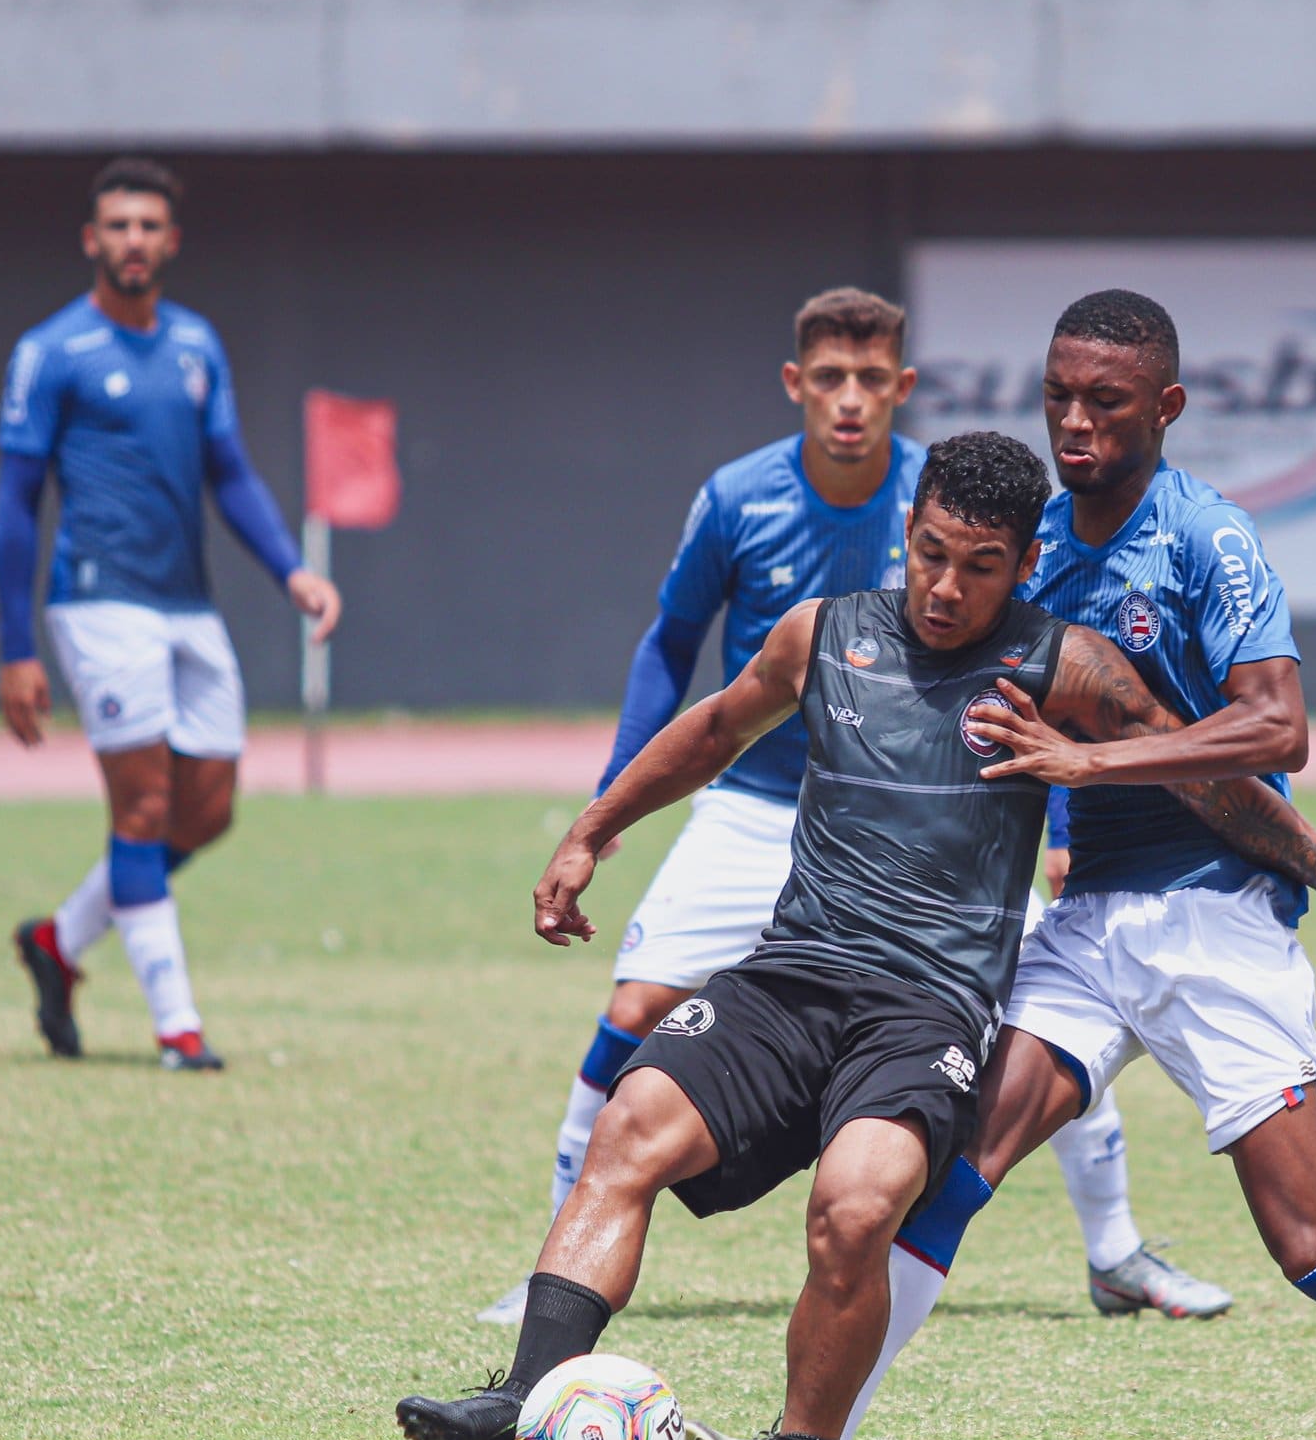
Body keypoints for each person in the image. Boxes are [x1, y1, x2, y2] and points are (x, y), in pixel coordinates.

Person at [685, 290, 1316, 1440]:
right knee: (947, 1175)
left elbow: (1274, 729)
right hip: (1088, 925)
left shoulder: (1205, 539)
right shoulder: (1035, 538)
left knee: (1309, 1240)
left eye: (1104, 401)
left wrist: (1143, 797)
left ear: (1164, 408)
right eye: (1058, 395)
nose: (1074, 420)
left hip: (1216, 923)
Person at [397, 431, 1316, 1440]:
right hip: (791, 973)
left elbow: (1204, 771)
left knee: (856, 1207)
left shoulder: (1067, 666)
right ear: (907, 530)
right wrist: (587, 833)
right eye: (931, 552)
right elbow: (711, 730)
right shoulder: (822, 632)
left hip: (928, 1010)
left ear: (1025, 558)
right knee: (630, 1125)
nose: (947, 586)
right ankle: (523, 1400)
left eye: (981, 564)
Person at [474, 287, 1229, 1331]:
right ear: (796, 384)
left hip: (944, 825)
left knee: (1047, 1028)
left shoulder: (953, 494)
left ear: (900, 388)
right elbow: (678, 662)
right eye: (829, 376)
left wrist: (1059, 825)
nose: (849, 398)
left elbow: (1062, 687)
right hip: (757, 804)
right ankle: (551, 1266)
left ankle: (1115, 1249)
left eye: (871, 379)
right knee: (635, 1010)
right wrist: (598, 814)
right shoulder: (738, 497)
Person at [0, 156, 341, 1069]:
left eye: (149, 226)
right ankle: (177, 1029)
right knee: (144, 808)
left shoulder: (195, 345)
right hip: (98, 600)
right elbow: (14, 504)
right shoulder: (51, 351)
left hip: (189, 604)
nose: (134, 240)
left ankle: (60, 944)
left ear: (171, 242)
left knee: (209, 809)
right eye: (118, 226)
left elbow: (228, 472)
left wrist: (291, 573)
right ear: (91, 240)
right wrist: (14, 646)